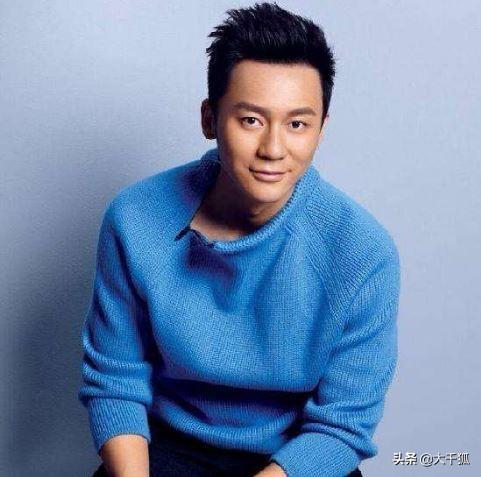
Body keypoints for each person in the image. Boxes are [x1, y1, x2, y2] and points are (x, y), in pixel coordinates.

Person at [78, 2, 400, 476]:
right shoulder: (136, 218)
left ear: (321, 130)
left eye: (297, 124)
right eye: (251, 120)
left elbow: (342, 427)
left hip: (296, 458)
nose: (273, 149)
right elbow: (115, 381)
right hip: (166, 446)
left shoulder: (363, 253)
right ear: (210, 119)